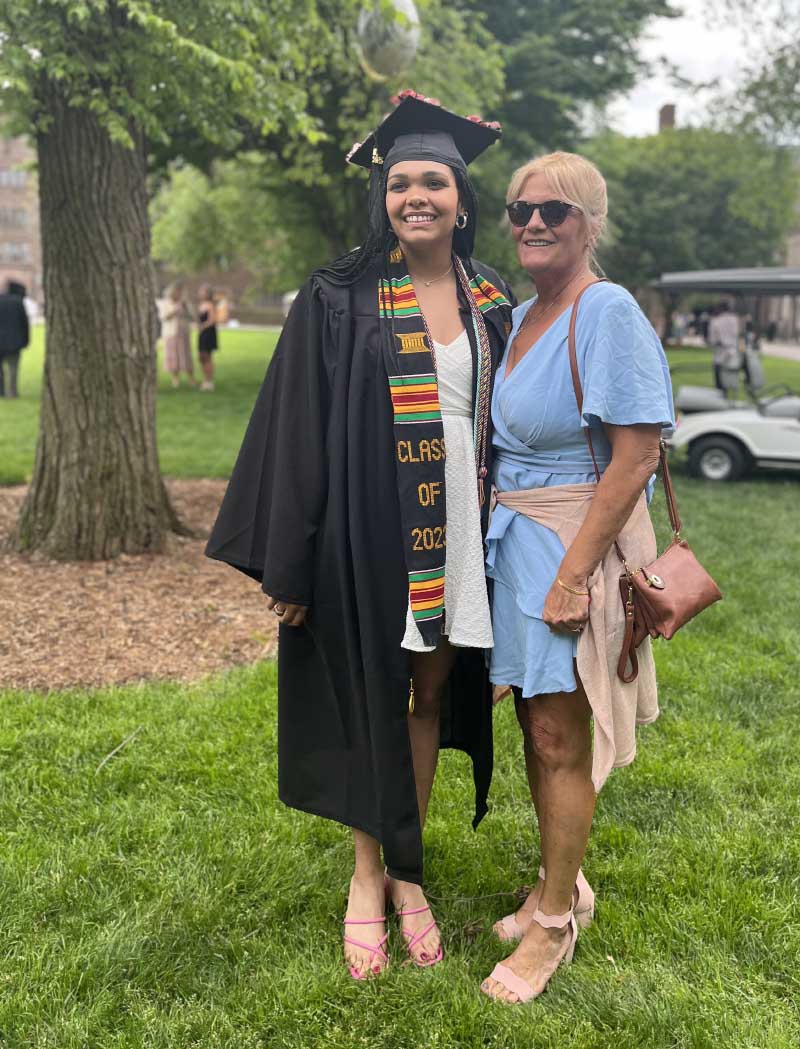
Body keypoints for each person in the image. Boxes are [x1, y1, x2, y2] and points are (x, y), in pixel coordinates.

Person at [205, 92, 515, 980]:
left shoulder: (491, 295)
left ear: (460, 196)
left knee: (425, 691)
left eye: (433, 182)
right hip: (366, 523)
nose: (415, 196)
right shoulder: (338, 293)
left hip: (461, 522)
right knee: (370, 694)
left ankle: (409, 871)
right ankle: (368, 875)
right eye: (399, 182)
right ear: (382, 196)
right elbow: (295, 425)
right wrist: (291, 552)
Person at [479, 151, 674, 1004]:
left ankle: (554, 923)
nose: (531, 222)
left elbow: (636, 453)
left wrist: (572, 576)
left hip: (569, 547)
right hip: (514, 542)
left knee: (560, 736)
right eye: (519, 207)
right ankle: (566, 884)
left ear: (591, 223)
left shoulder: (606, 310)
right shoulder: (522, 315)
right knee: (537, 724)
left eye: (553, 210)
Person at [160, 281, 195, 388]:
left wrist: (186, 309)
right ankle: (175, 379)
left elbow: (192, 317)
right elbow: (163, 317)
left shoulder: (185, 303)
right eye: (176, 291)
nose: (178, 293)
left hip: (183, 332)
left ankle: (191, 379)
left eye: (180, 291)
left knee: (186, 355)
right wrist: (174, 311)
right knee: (173, 356)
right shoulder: (165, 303)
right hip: (171, 333)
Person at [0, 280, 30, 398]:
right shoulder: (18, 302)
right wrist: (26, 340)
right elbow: (24, 323)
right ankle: (12, 392)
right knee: (13, 369)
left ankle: (1, 391)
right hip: (14, 342)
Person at [708, 300, 741, 396]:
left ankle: (722, 396)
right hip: (733, 352)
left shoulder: (715, 321)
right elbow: (736, 334)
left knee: (719, 381)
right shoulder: (734, 319)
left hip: (720, 353)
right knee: (731, 377)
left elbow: (712, 340)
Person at [197, 284, 218, 391]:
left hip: (208, 333)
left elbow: (212, 320)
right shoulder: (201, 304)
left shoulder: (210, 305)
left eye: (203, 291)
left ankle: (209, 381)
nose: (201, 293)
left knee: (207, 356)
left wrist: (202, 326)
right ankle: (205, 379)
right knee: (201, 357)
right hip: (202, 333)